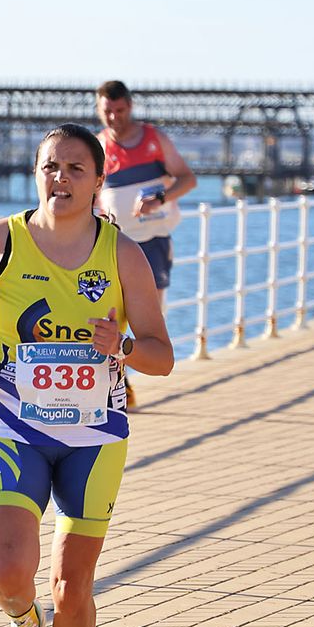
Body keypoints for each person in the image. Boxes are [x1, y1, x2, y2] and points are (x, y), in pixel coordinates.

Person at [0, 124, 174, 627]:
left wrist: (122, 348)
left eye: (76, 168)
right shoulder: (2, 240)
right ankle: (24, 625)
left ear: (100, 180)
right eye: (51, 167)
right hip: (15, 428)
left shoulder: (124, 255)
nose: (61, 179)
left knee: (73, 585)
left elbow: (162, 355)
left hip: (94, 438)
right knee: (8, 575)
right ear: (36, 173)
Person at [95, 81, 195, 408]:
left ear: (130, 107)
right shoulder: (98, 146)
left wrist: (161, 198)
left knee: (151, 314)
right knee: (110, 311)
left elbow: (187, 178)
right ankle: (120, 380)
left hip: (153, 240)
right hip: (115, 242)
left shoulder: (154, 139)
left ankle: (132, 369)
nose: (114, 118)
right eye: (107, 111)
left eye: (120, 111)